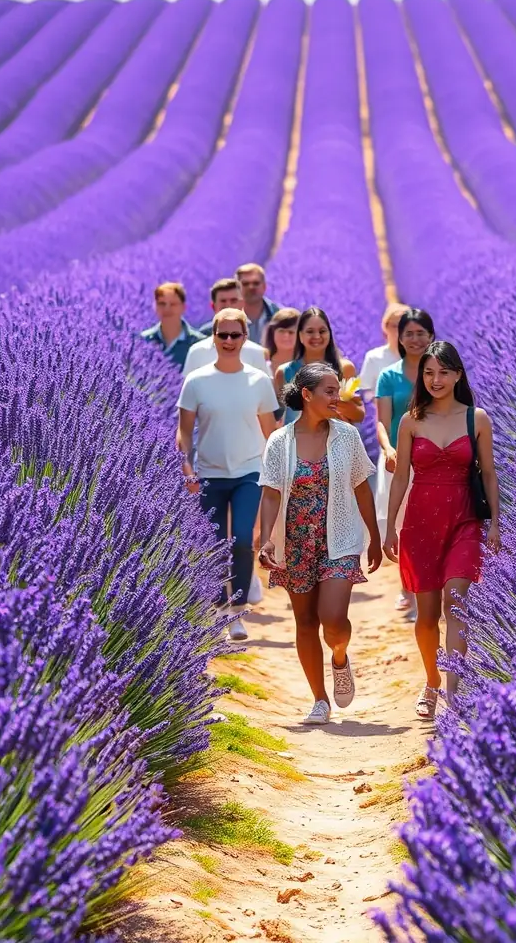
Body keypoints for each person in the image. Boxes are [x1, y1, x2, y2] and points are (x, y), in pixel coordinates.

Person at [383, 341, 501, 719]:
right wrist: (390, 526)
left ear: (458, 375)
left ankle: (453, 693)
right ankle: (431, 682)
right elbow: (401, 476)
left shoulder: (476, 418)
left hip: (464, 519)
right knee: (427, 615)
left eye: (444, 372)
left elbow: (488, 473)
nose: (436, 379)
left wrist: (496, 522)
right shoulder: (411, 420)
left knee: (457, 600)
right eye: (429, 373)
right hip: (420, 522)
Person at [259, 363, 381, 725]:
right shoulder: (280, 441)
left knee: (333, 619)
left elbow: (361, 486)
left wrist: (373, 536)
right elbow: (270, 493)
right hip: (295, 540)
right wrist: (267, 539)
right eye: (329, 391)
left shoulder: (346, 436)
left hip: (339, 536)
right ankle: (319, 699)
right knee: (305, 620)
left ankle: (340, 656)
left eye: (338, 390)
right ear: (307, 395)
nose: (337, 397)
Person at [176, 308, 279, 642]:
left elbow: (270, 432)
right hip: (209, 472)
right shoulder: (197, 381)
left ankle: (238, 611)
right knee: (217, 542)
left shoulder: (259, 380)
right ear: (214, 337)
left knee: (243, 537)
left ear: (245, 338)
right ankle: (219, 608)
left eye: (236, 335)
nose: (230, 341)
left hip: (249, 470)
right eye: (223, 335)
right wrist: (187, 467)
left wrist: (275, 471)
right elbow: (184, 432)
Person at [375, 308, 436, 620]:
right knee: (403, 528)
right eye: (408, 333)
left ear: (431, 337)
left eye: (420, 333)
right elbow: (383, 422)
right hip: (401, 462)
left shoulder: (439, 372)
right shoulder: (389, 376)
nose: (414, 339)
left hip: (436, 460)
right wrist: (387, 449)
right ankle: (409, 591)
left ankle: (427, 591)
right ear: (399, 338)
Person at [275, 307, 365, 426]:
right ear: (300, 336)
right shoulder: (284, 372)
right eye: (310, 331)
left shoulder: (345, 368)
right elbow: (277, 416)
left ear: (329, 333)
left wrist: (338, 403)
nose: (317, 336)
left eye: (322, 331)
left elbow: (359, 415)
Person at [184, 278, 272, 377]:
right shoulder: (197, 352)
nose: (228, 306)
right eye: (223, 301)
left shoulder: (256, 353)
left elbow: (264, 388)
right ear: (213, 306)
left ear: (242, 303)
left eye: (233, 300)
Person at [140, 282, 204, 370]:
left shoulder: (198, 343)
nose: (167, 309)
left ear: (183, 307)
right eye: (162, 304)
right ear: (155, 307)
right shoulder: (143, 340)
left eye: (173, 304)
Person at [359, 302, 410, 402]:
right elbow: (365, 390)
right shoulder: (374, 357)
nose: (400, 331)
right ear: (385, 327)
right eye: (395, 326)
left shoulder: (421, 357)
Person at [236, 263, 282, 345]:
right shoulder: (226, 319)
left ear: (264, 287)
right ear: (237, 288)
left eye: (256, 283)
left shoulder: (280, 317)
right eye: (245, 284)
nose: (251, 287)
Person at [264, 307, 301, 375]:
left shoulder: (307, 365)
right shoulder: (261, 362)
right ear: (272, 332)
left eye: (291, 332)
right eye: (281, 331)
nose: (286, 336)